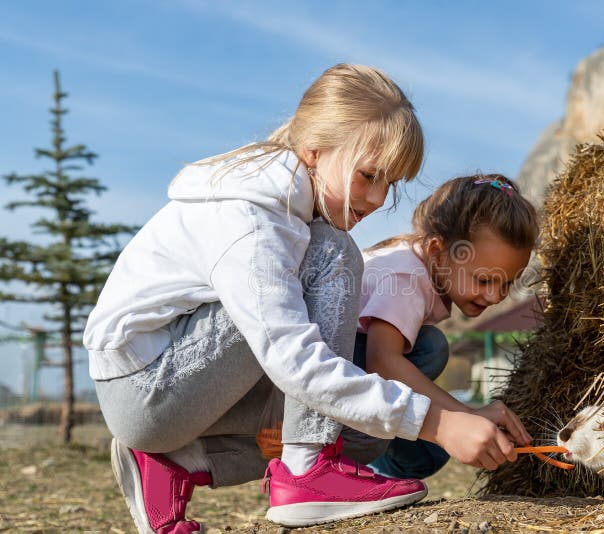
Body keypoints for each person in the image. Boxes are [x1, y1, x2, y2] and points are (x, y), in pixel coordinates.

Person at [83, 64, 529, 533]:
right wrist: (437, 423)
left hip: (181, 394)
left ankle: (179, 462)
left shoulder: (299, 220)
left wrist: (429, 418)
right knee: (335, 254)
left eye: (390, 183)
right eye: (369, 175)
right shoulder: (253, 223)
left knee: (361, 435)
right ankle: (306, 472)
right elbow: (292, 358)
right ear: (314, 149)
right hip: (147, 388)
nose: (377, 199)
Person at [340, 174, 538, 480]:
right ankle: (330, 457)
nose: (496, 296)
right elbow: (382, 362)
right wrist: (463, 416)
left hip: (354, 371)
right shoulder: (406, 277)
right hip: (326, 375)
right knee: (431, 346)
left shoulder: (426, 269)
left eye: (507, 284)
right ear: (436, 250)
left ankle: (359, 472)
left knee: (425, 456)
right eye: (484, 280)